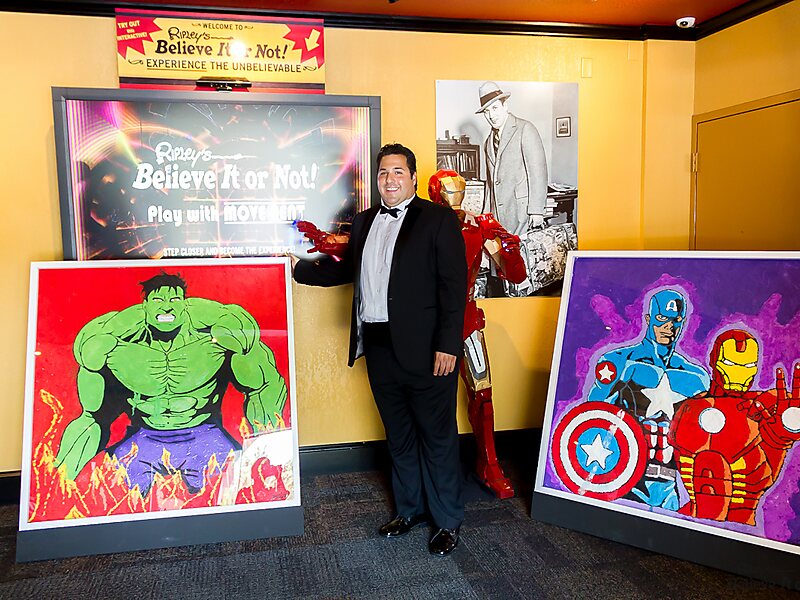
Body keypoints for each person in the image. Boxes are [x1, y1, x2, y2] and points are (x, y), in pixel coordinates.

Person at [292, 144, 468, 555]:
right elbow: (347, 270)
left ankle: (447, 521)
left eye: (398, 172)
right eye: (383, 172)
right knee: (399, 435)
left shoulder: (438, 219)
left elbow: (453, 286)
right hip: (378, 345)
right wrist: (296, 268)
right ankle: (410, 510)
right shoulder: (365, 220)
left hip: (428, 351)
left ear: (413, 177)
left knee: (437, 437)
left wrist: (448, 345)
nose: (389, 179)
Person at [54, 272, 288, 497]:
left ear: (184, 304)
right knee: (109, 496)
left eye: (174, 300)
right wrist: (62, 479)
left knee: (228, 497)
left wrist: (267, 452)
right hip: (144, 439)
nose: (167, 307)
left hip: (205, 437)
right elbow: (91, 417)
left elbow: (264, 386)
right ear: (145, 305)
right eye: (158, 300)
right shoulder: (112, 342)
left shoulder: (221, 332)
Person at [427, 169, 527, 498]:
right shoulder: (420, 223)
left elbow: (515, 274)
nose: (453, 198)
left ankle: (489, 464)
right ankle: (432, 469)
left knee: (482, 395)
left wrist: (507, 245)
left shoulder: (478, 226)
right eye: (447, 191)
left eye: (458, 191)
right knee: (429, 397)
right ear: (434, 194)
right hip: (429, 322)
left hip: (467, 319)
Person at [587, 289, 710, 510]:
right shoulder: (619, 362)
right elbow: (590, 418)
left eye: (676, 321)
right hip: (622, 478)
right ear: (648, 318)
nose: (668, 327)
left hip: (668, 484)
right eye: (661, 319)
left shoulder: (697, 378)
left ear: (683, 323)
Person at [477, 81, 548, 238]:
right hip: (498, 216)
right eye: (487, 111)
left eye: (495, 108)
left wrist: (537, 211)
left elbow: (538, 174)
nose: (491, 115)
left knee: (523, 253)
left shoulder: (525, 129)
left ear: (505, 106)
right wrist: (486, 215)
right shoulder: (488, 142)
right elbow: (490, 183)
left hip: (522, 213)